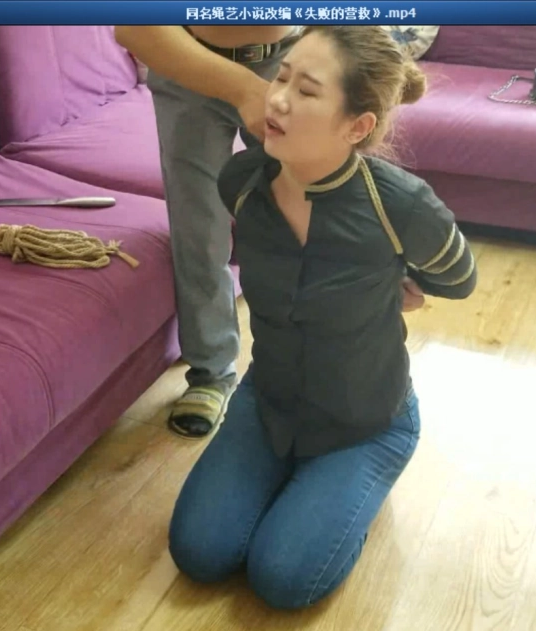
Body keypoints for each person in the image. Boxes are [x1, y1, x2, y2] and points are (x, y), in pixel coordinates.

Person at [165, 26, 478, 610]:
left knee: (284, 579)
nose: (277, 99)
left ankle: (344, 483)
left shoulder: (401, 204)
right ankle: (298, 484)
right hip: (269, 400)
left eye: (306, 91)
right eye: (280, 77)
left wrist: (391, 281)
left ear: (357, 127)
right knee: (199, 552)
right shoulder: (241, 182)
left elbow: (458, 279)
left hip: (366, 420)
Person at [115, 25, 306, 438]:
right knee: (198, 231)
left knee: (301, 225)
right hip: (186, 61)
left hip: (293, 60)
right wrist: (245, 90)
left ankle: (304, 369)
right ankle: (211, 372)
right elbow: (135, 26)